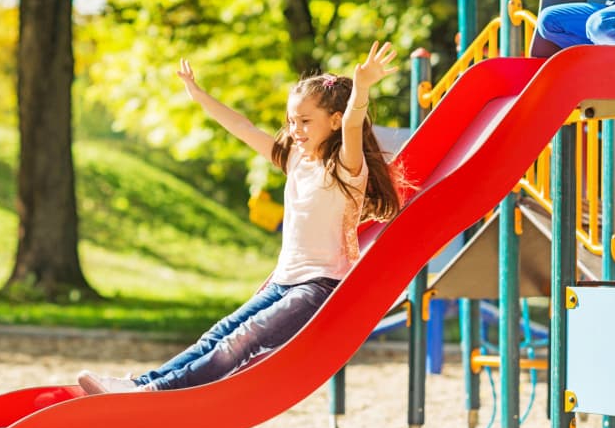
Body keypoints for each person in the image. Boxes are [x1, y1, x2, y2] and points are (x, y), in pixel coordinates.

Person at [77, 41, 402, 395]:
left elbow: (355, 124)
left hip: (319, 286)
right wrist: (199, 95)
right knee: (218, 333)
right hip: (283, 281)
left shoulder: (346, 167)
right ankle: (140, 383)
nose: (296, 129)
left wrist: (362, 90)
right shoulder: (295, 159)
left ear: (334, 121)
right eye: (292, 121)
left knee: (242, 340)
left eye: (306, 121)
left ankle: (155, 392)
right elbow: (244, 128)